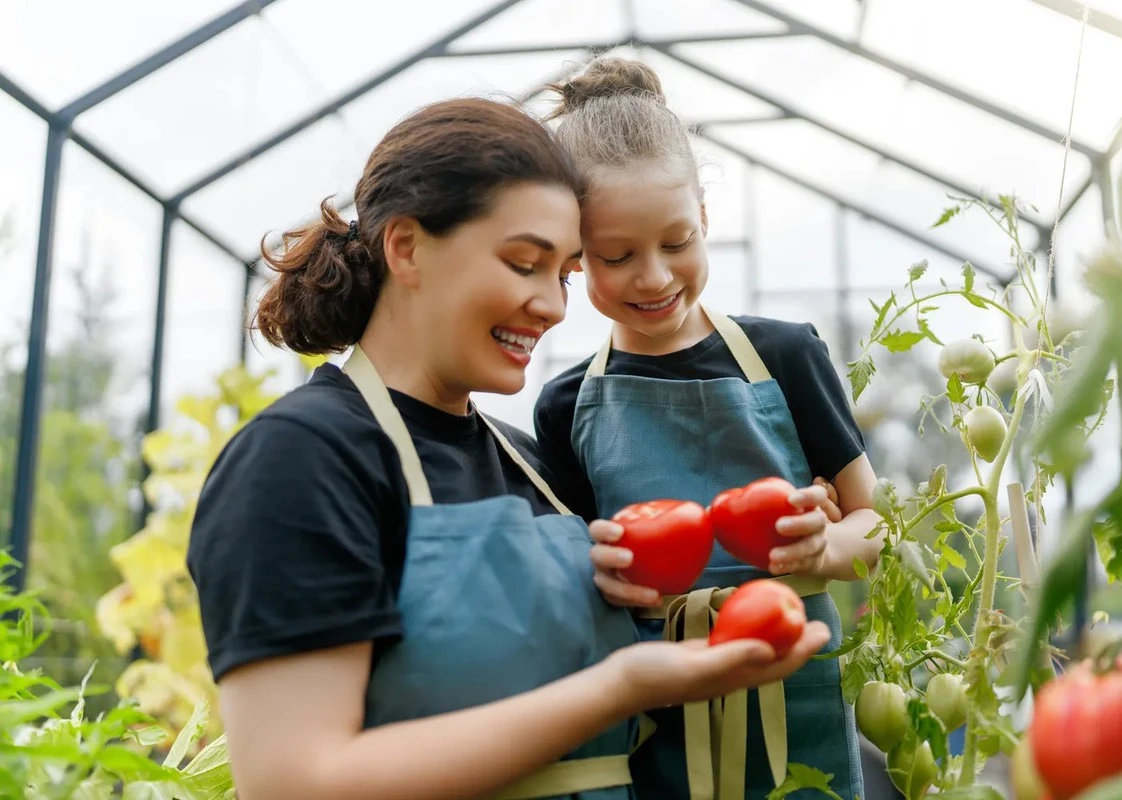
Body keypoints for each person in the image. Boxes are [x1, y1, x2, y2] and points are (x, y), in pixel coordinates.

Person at [185, 97, 834, 800]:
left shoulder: (537, 466)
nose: (555, 306)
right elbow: (295, 783)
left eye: (564, 273)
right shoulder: (301, 460)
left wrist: (798, 522)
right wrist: (616, 687)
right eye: (525, 263)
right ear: (405, 247)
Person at [533, 59, 884, 800]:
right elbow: (578, 576)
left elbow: (877, 528)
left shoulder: (787, 355)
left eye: (678, 241)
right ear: (572, 256)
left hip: (796, 678)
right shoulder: (565, 404)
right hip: (654, 701)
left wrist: (825, 547)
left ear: (705, 219)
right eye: (616, 256)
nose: (655, 277)